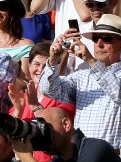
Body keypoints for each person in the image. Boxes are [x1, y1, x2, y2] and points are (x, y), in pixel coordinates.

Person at [41, 14, 121, 149]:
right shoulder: (81, 76)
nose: (99, 43)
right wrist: (53, 60)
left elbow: (118, 93)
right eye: (96, 39)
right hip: (81, 155)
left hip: (112, 159)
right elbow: (49, 90)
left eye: (106, 39)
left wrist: (91, 61)